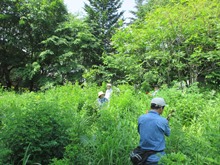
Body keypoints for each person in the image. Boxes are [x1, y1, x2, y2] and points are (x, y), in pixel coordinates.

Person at [138, 97, 170, 165]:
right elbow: (168, 133)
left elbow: (140, 131)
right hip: (157, 157)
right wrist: (166, 123)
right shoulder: (163, 121)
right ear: (161, 108)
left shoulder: (141, 118)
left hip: (142, 156)